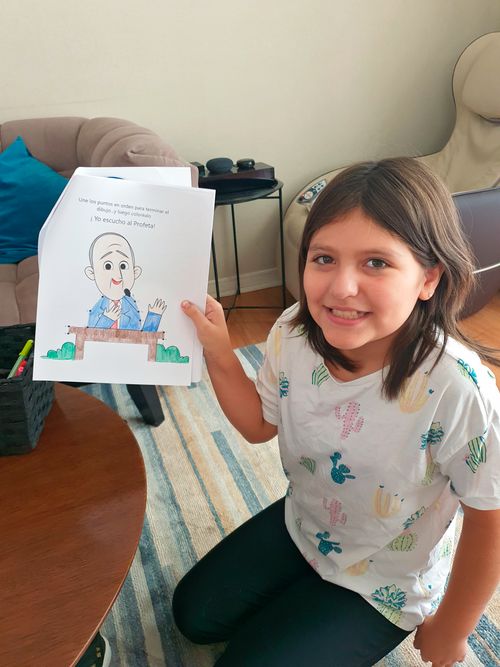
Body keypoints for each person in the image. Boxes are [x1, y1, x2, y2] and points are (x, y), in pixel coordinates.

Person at [173, 157, 500, 667]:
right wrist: (217, 350)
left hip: (386, 577)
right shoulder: (292, 333)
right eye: (323, 258)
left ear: (428, 278)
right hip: (306, 524)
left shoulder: (458, 387)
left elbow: (490, 516)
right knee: (192, 616)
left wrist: (454, 628)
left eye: (376, 263)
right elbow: (259, 427)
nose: (342, 287)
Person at [84, 232, 166, 330]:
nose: (117, 275)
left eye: (123, 266)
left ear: (135, 272)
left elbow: (140, 339)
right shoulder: (97, 309)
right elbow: (90, 336)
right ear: (91, 273)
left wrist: (153, 317)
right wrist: (106, 319)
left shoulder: (131, 308)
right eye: (108, 266)